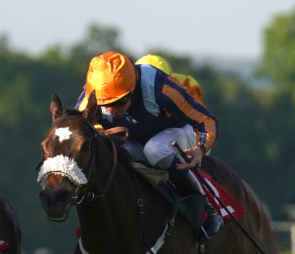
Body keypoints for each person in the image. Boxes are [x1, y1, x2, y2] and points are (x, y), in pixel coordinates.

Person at [76, 51, 222, 237]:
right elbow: (77, 130)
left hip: (177, 131)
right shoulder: (92, 96)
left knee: (155, 150)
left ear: (133, 88)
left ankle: (205, 205)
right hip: (134, 137)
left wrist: (201, 149)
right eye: (106, 104)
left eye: (119, 102)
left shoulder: (160, 88)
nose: (111, 111)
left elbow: (207, 120)